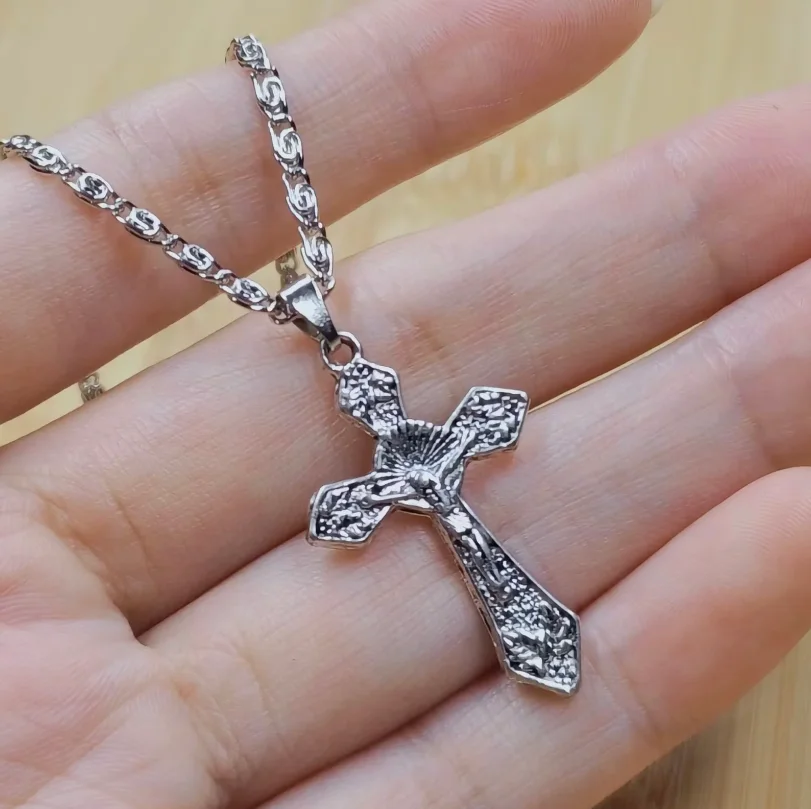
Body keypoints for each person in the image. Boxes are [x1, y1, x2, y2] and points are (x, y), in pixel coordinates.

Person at [0, 1, 808, 807]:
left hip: (470, 528)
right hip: (449, 523)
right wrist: (389, 485)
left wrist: (427, 464)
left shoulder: (439, 442)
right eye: (363, 400)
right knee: (479, 559)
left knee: (487, 556)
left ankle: (536, 644)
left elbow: (493, 414)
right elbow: (337, 515)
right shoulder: (391, 471)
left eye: (373, 392)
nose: (371, 400)